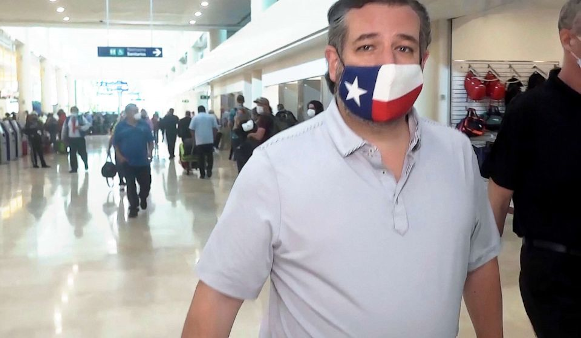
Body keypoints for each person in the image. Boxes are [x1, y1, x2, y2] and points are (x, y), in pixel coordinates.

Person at [182, 1, 503, 337]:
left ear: (422, 61)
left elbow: (479, 260)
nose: (388, 64)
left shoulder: (457, 153)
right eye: (367, 46)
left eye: (403, 47)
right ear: (335, 63)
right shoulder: (274, 168)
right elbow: (216, 301)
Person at [481, 1, 581, 336]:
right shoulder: (530, 111)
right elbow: (496, 199)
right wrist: (482, 274)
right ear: (568, 39)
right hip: (556, 276)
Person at [113, 104, 154, 218]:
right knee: (130, 185)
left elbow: (150, 141)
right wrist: (120, 156)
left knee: (146, 184)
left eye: (137, 110)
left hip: (143, 161)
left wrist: (150, 152)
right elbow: (115, 143)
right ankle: (133, 207)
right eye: (134, 111)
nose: (137, 112)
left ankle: (143, 197)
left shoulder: (144, 125)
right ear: (127, 113)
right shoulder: (120, 126)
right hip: (128, 162)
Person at [189, 106, 219, 179]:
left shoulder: (195, 118)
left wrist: (194, 139)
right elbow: (215, 128)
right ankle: (209, 170)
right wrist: (213, 137)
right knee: (210, 156)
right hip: (209, 140)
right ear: (205, 110)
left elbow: (191, 129)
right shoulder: (211, 117)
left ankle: (202, 173)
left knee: (200, 158)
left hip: (200, 141)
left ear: (198, 110)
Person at [62, 106, 90, 173]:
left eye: (75, 111)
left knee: (82, 152)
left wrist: (81, 127)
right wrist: (63, 137)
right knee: (72, 154)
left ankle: (85, 163)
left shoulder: (81, 118)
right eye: (73, 111)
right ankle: (74, 168)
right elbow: (64, 129)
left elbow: (88, 125)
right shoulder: (68, 119)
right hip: (71, 139)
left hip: (80, 138)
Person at [228, 95, 249, 160]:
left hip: (235, 134)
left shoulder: (233, 111)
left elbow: (230, 123)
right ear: (244, 101)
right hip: (245, 134)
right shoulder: (247, 110)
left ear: (237, 100)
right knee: (244, 153)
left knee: (237, 152)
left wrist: (232, 130)